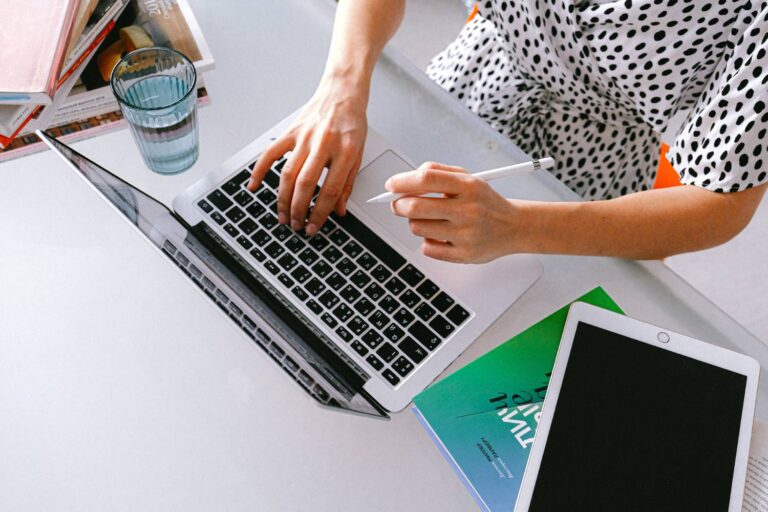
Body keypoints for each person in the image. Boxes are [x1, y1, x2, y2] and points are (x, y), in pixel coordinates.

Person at [248, 0, 768, 262]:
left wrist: (519, 227)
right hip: (462, 87)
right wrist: (342, 86)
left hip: (588, 191)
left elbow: (723, 203)